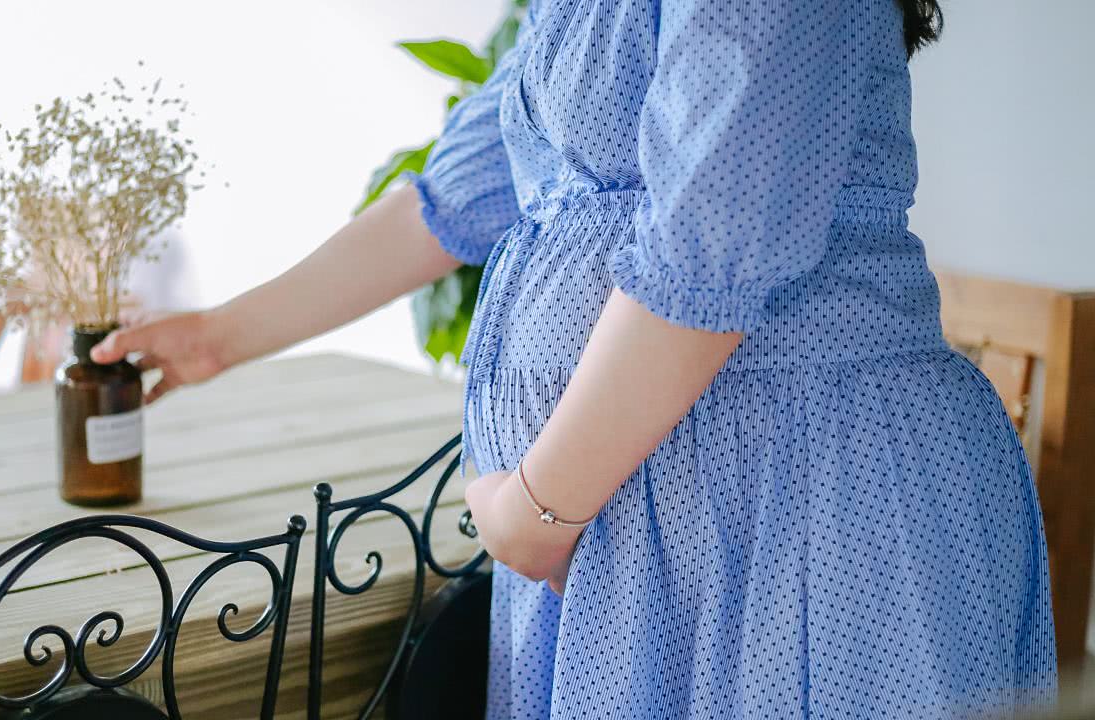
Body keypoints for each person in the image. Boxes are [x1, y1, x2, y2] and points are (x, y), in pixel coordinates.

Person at [92, 0, 1056, 716]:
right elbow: (463, 189)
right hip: (647, 508)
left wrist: (536, 511)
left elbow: (709, 258)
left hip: (799, 506)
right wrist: (218, 337)